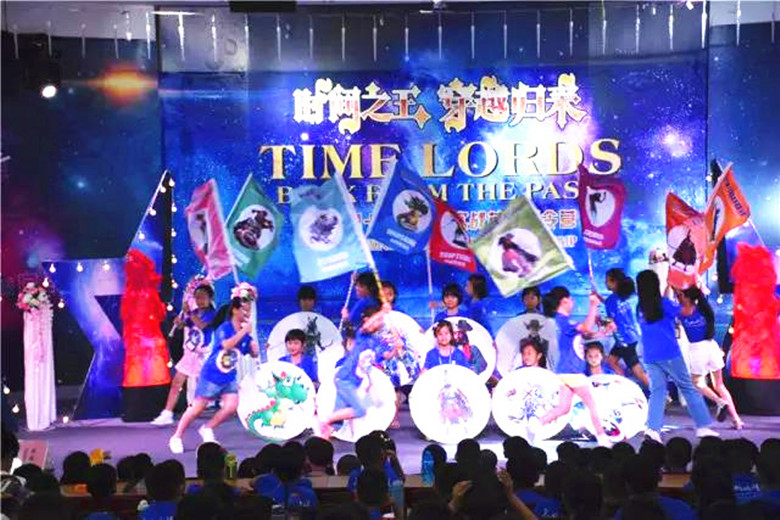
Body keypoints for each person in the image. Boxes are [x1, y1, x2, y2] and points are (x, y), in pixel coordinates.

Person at [168, 296, 260, 453]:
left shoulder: (245, 335)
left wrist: (254, 349)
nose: (247, 313)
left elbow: (251, 353)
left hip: (229, 376)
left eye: (248, 310)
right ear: (235, 310)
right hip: (211, 374)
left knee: (231, 406)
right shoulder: (224, 328)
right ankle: (176, 437)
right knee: (197, 408)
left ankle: (207, 428)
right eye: (244, 310)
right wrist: (244, 331)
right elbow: (227, 345)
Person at [635, 270, 718, 443]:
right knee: (687, 387)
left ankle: (653, 429)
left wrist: (669, 289)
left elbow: (661, 310)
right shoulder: (664, 304)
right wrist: (682, 292)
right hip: (669, 353)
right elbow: (684, 311)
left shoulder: (640, 308)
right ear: (655, 285)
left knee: (657, 391)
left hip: (650, 356)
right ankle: (703, 426)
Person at [541, 287, 612, 447]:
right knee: (592, 405)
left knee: (563, 408)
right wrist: (593, 305)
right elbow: (586, 328)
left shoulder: (562, 322)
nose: (573, 301)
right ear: (564, 301)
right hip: (573, 372)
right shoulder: (565, 321)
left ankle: (536, 425)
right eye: (571, 299)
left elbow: (586, 334)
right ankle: (602, 438)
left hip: (564, 372)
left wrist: (604, 331)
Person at [152, 280, 217, 426]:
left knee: (209, 387)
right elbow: (184, 325)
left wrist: (188, 313)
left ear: (210, 298)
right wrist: (178, 322)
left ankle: (229, 404)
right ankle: (167, 413)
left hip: (203, 356)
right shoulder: (194, 312)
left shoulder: (212, 313)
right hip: (190, 354)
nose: (199, 300)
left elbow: (201, 325)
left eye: (203, 297)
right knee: (177, 383)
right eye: (197, 297)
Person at [678, 286, 743, 429]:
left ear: (688, 298)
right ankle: (737, 420)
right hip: (711, 346)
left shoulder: (682, 311)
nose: (679, 298)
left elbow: (668, 306)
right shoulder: (704, 310)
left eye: (681, 296)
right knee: (719, 385)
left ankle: (719, 402)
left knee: (697, 383)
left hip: (697, 350)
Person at [317, 306, 385, 439]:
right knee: (360, 410)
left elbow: (384, 356)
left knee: (337, 421)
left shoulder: (374, 342)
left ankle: (323, 437)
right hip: (345, 379)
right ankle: (325, 418)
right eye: (377, 320)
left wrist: (396, 348)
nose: (379, 322)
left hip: (351, 381)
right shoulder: (362, 336)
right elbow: (365, 326)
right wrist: (383, 311)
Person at [600, 268, 650, 386]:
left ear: (614, 282)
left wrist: (601, 321)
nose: (605, 283)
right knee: (611, 361)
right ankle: (624, 384)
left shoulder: (611, 301)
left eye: (607, 280)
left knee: (635, 368)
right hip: (631, 336)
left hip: (624, 339)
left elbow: (610, 321)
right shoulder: (631, 296)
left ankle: (656, 391)